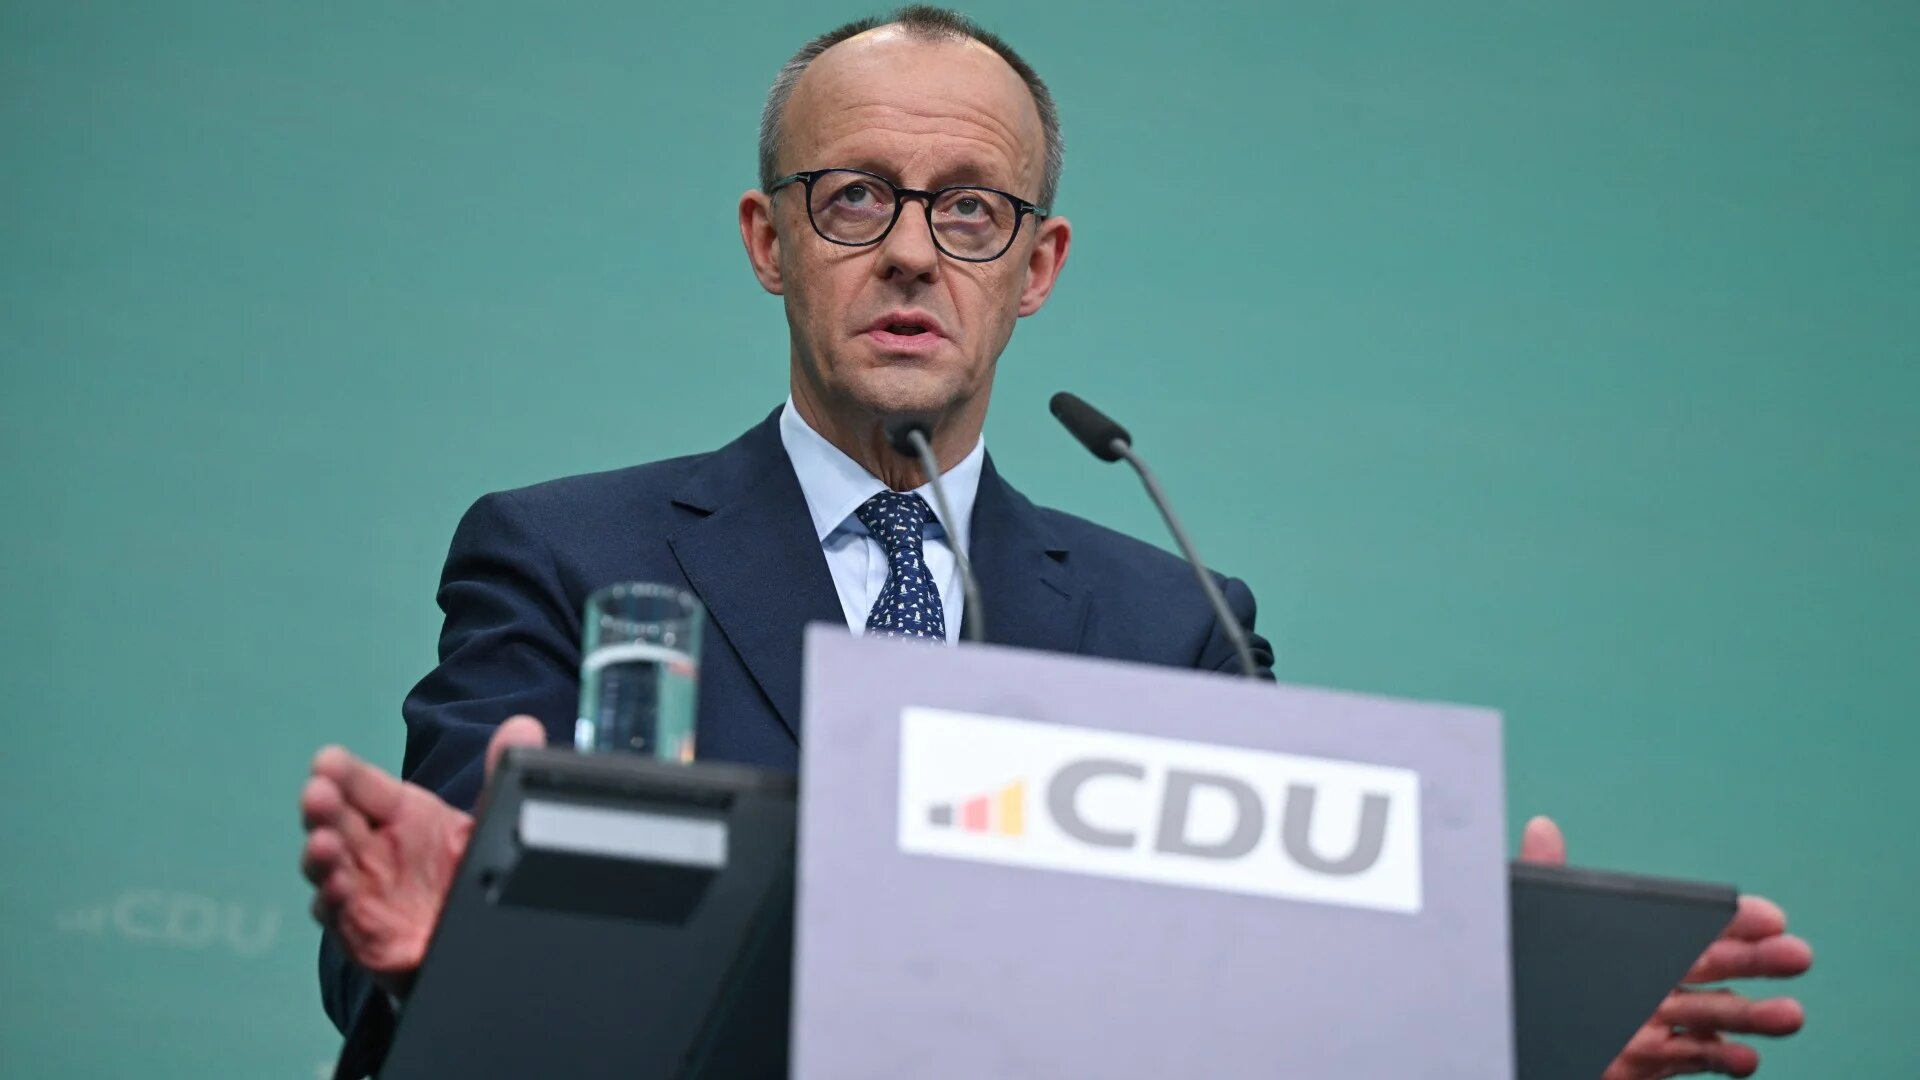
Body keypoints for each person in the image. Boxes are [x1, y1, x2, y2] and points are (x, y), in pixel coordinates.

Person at [299, 7, 1811, 1078]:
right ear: (770, 241)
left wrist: (1502, 1040)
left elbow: (1263, 1014)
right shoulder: (564, 553)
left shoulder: (1172, 620)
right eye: (854, 198)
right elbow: (419, 919)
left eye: (970, 210)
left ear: (1038, 268)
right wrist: (433, 953)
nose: (909, 247)